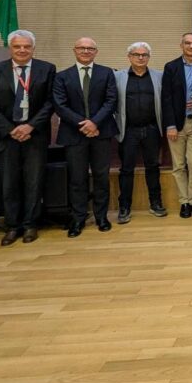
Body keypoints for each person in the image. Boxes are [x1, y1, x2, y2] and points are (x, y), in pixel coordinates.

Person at [0, 29, 56, 246]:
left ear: (33, 48)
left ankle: (31, 224)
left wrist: (30, 126)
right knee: (9, 183)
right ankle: (12, 226)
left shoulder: (46, 69)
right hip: (6, 137)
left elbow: (51, 102)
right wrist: (10, 129)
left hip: (35, 136)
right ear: (10, 48)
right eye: (17, 46)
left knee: (34, 182)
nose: (22, 50)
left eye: (27, 46)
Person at [52, 37, 118, 237]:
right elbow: (60, 105)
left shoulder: (107, 73)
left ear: (96, 52)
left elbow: (111, 100)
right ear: (75, 50)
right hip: (74, 134)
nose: (86, 51)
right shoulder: (62, 76)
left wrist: (95, 123)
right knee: (77, 178)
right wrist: (84, 124)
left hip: (101, 132)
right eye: (82, 48)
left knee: (101, 177)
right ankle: (78, 218)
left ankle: (101, 217)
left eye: (90, 48)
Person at [113, 42, 165, 224]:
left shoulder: (159, 76)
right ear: (129, 57)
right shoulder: (117, 76)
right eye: (136, 54)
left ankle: (156, 203)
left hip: (152, 129)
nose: (141, 58)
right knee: (126, 169)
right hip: (128, 131)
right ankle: (124, 206)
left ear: (149, 57)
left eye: (144, 55)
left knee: (153, 168)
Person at [161, 32, 192, 219]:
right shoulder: (171, 67)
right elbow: (166, 98)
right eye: (187, 43)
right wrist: (170, 125)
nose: (191, 46)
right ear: (181, 45)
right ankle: (184, 202)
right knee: (179, 165)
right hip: (178, 124)